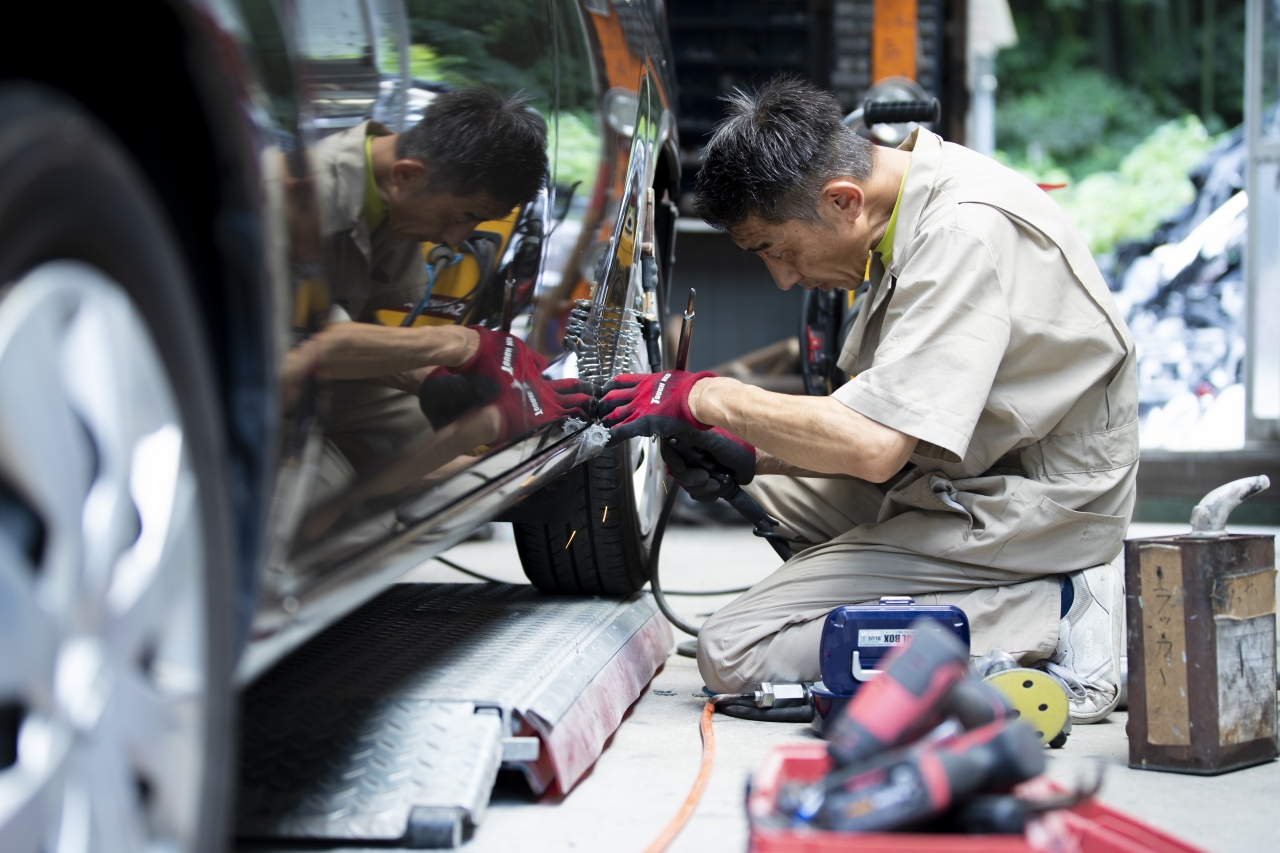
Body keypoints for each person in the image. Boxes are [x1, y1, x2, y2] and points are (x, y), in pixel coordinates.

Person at [601, 76, 1136, 724]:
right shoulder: (906, 202)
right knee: (760, 486)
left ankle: (1058, 608)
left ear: (842, 200)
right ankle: (968, 597)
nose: (783, 276)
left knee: (734, 650)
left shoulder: (962, 234)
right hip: (965, 467)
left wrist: (712, 397)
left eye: (777, 249)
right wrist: (747, 451)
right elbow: (887, 419)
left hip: (1040, 506)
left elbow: (875, 445)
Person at [279, 88, 585, 506]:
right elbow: (301, 352)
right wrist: (465, 345)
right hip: (252, 392)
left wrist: (445, 382)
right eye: (461, 217)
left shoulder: (395, 200)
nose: (455, 238)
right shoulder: (288, 199)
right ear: (407, 174)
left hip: (317, 381)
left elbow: (359, 336)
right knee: (318, 498)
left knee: (440, 430)